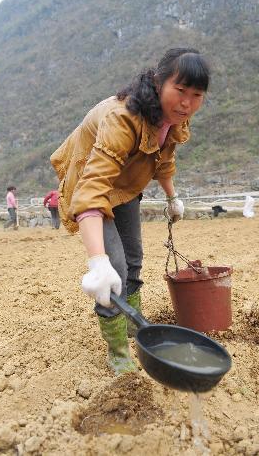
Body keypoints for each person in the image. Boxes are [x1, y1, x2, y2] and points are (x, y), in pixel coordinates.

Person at [51, 47, 210, 374]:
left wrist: (171, 197)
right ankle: (118, 351)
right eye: (180, 91)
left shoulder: (174, 119)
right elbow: (93, 188)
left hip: (125, 188)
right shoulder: (122, 119)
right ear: (158, 82)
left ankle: (136, 328)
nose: (187, 102)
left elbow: (164, 159)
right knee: (114, 271)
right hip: (92, 184)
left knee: (134, 259)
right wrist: (97, 262)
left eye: (197, 95)